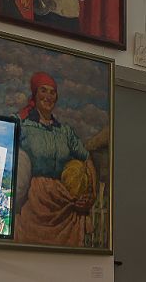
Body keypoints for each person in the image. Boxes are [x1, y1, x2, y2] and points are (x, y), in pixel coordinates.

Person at [15, 72, 97, 246]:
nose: (48, 96)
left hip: (63, 202)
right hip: (33, 201)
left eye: (52, 92)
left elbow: (87, 159)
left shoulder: (65, 131)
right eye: (43, 90)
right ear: (35, 94)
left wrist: (91, 196)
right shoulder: (22, 124)